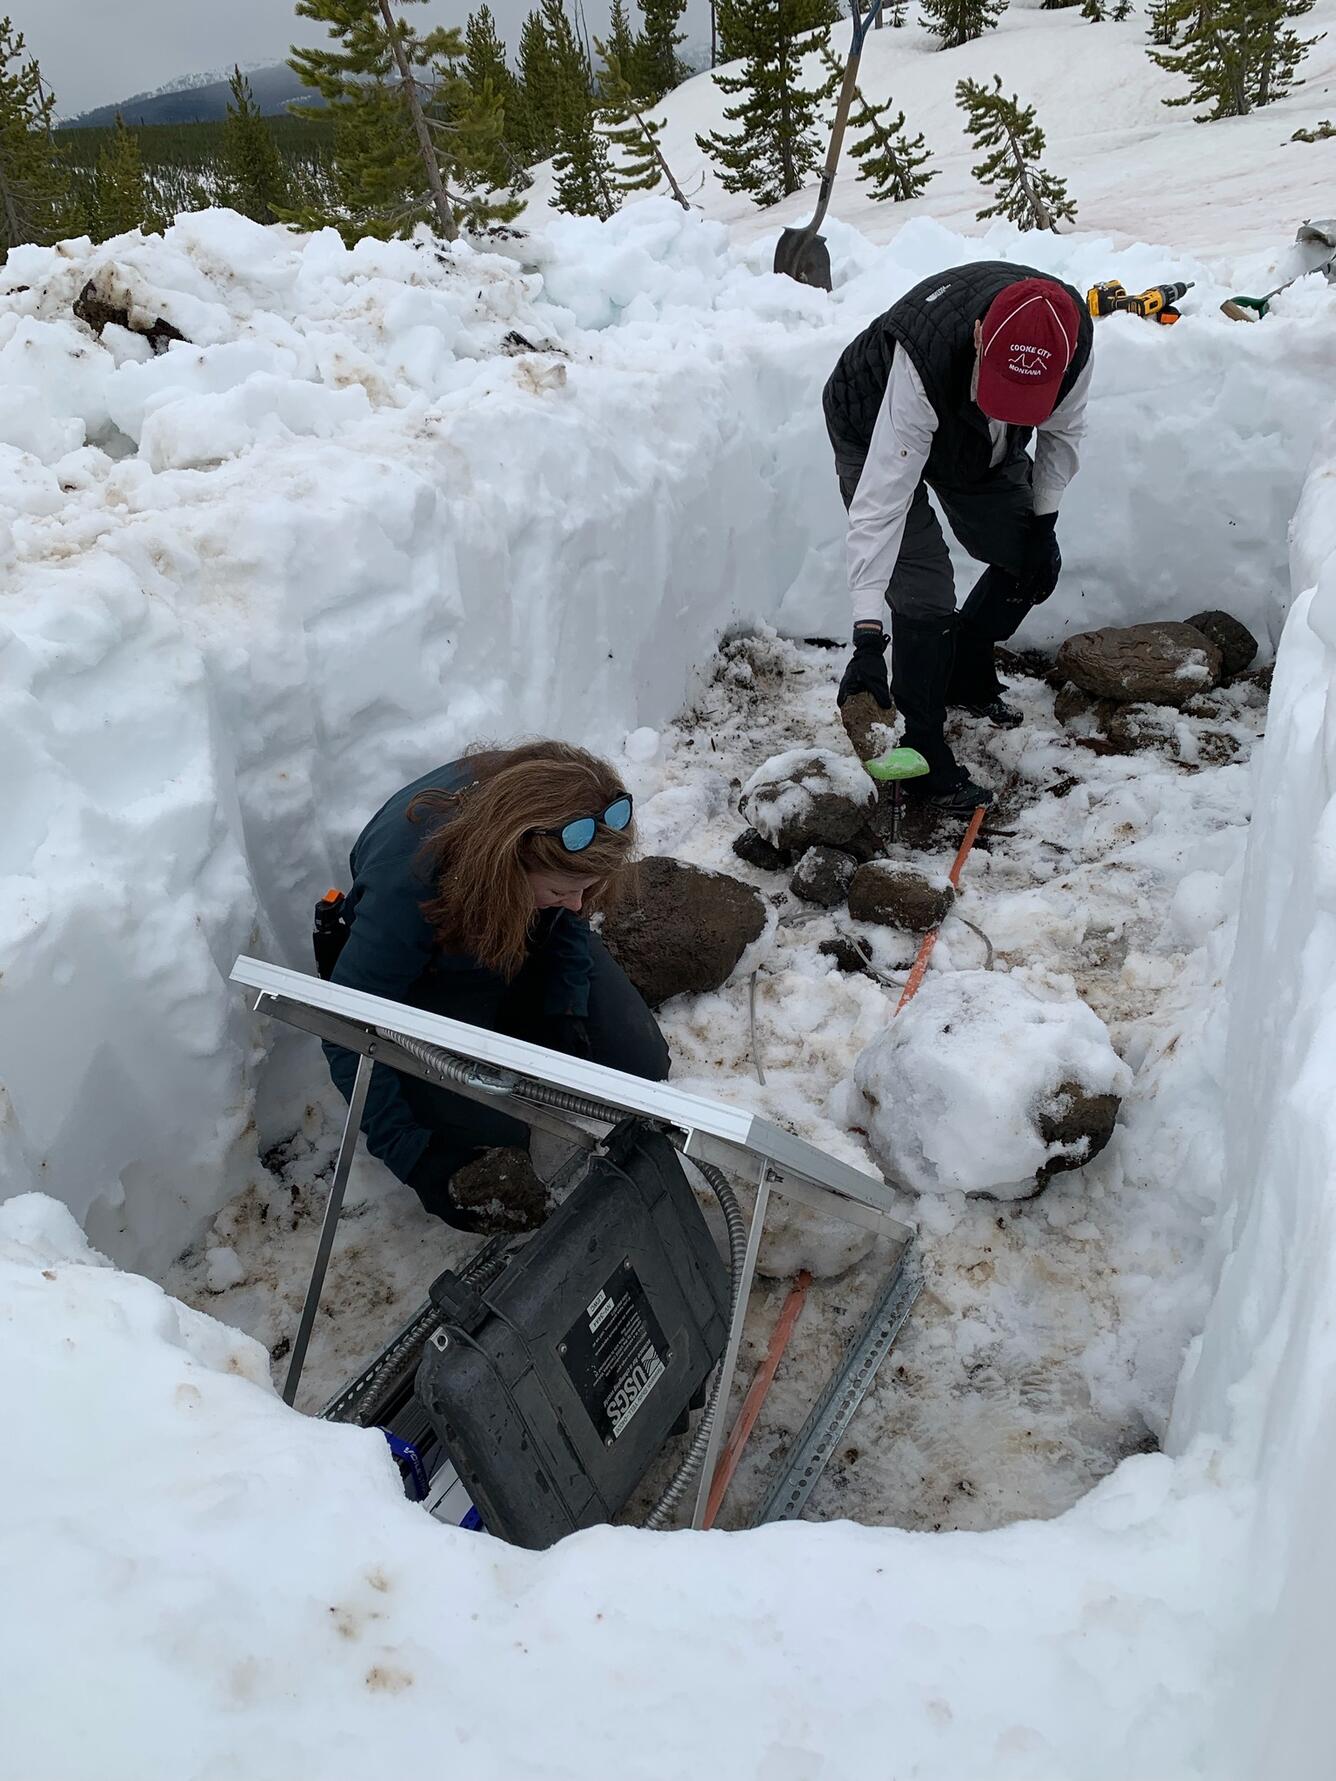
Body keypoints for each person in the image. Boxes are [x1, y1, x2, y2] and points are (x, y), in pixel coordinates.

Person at [323, 740, 669, 1230]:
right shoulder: (410, 888)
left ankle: (517, 1007)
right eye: (560, 890)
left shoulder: (565, 815)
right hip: (436, 967)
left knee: (639, 1064)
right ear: (508, 867)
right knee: (490, 1146)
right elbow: (346, 1025)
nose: (578, 904)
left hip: (518, 926)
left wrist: (565, 1005)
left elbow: (568, 920)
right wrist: (416, 1159)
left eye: (585, 890)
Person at [824, 262, 1094, 815]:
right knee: (924, 586)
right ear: (978, 338)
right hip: (873, 423)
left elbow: (1062, 435)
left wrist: (1042, 526)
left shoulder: (1069, 341)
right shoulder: (922, 362)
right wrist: (867, 636)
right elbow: (881, 506)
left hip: (977, 443)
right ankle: (921, 747)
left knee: (1029, 560)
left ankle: (965, 672)